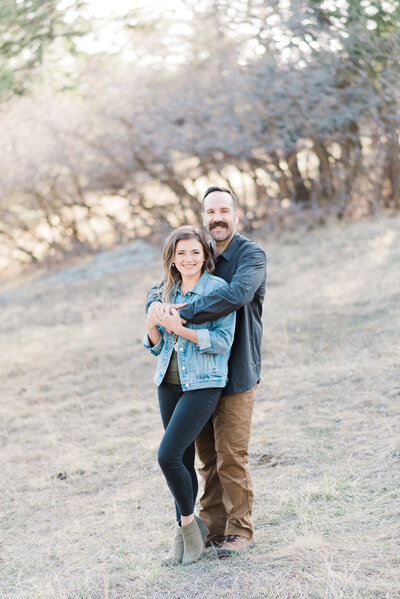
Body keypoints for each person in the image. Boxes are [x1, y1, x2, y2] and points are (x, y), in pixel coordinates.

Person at [146, 186, 266, 558]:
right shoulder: (199, 253)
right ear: (203, 217)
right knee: (206, 456)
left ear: (235, 214)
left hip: (237, 370)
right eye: (210, 211)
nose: (217, 217)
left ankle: (239, 530)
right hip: (196, 375)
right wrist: (155, 306)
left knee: (231, 455)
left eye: (224, 211)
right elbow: (162, 286)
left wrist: (178, 314)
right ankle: (211, 527)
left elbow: (235, 296)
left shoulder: (250, 255)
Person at [143, 225, 236, 565]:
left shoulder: (217, 289)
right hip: (167, 383)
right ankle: (184, 541)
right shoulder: (164, 290)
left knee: (167, 455)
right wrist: (154, 325)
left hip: (203, 382)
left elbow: (222, 342)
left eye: (195, 252)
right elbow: (155, 346)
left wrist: (180, 327)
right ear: (172, 257)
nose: (188, 258)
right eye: (181, 253)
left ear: (204, 256)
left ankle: (187, 528)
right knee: (180, 460)